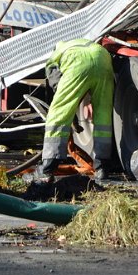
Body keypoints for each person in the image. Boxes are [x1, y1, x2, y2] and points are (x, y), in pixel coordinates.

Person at [38, 39, 114, 181]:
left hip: (78, 63)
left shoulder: (54, 58)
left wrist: (69, 109)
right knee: (103, 116)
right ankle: (102, 167)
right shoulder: (81, 43)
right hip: (103, 58)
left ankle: (49, 165)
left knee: (58, 113)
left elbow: (59, 89)